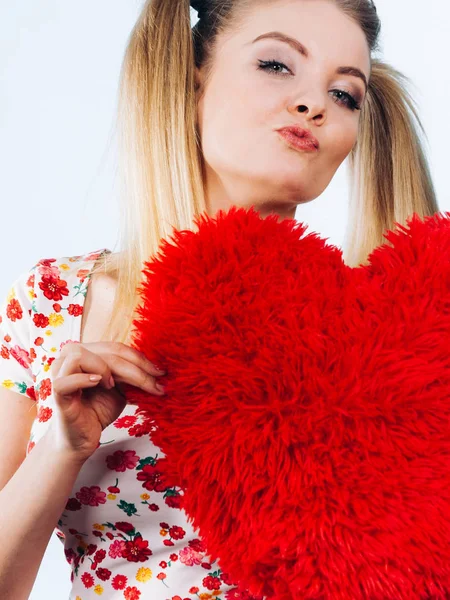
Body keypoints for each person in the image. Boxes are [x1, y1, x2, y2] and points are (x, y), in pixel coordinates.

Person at [0, 0, 439, 598]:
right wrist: (64, 448)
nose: (313, 104)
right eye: (278, 65)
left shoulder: (392, 335)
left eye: (345, 95)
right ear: (192, 79)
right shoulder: (53, 301)